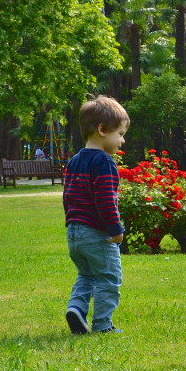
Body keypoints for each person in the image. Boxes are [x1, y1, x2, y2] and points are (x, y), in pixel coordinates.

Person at [63, 95, 129, 335]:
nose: (122, 141)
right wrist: (115, 228)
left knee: (87, 274)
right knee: (108, 277)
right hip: (96, 233)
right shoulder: (104, 162)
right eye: (120, 134)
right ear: (102, 130)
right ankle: (103, 326)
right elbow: (105, 200)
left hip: (75, 233)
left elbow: (67, 197)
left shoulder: (74, 161)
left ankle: (76, 310)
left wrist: (71, 224)